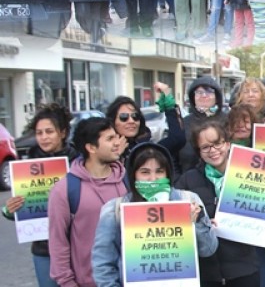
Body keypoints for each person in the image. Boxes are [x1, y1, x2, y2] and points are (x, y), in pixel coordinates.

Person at [91, 142, 218, 285]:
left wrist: (196, 223)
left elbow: (208, 250)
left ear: (168, 173)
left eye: (159, 171)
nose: (153, 178)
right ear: (134, 175)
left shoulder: (188, 200)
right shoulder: (115, 209)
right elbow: (102, 263)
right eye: (145, 172)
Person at [174, 120, 263, 286]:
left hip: (244, 269)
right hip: (207, 273)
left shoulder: (248, 173)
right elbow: (174, 220)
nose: (213, 150)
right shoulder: (188, 180)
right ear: (199, 151)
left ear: (228, 144)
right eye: (205, 147)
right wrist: (197, 221)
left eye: (217, 143)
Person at [2, 104, 78, 287]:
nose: (44, 137)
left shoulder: (78, 161)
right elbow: (24, 210)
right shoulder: (27, 166)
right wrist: (9, 210)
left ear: (62, 133)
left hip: (77, 246)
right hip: (44, 250)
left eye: (49, 131)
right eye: (39, 133)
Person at [48, 117, 128, 287]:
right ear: (91, 147)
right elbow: (58, 242)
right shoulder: (65, 189)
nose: (117, 143)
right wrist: (67, 283)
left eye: (116, 136)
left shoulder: (127, 181)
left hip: (128, 279)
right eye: (109, 139)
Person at [106, 86, 185, 169]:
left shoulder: (146, 149)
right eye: (124, 117)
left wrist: (169, 106)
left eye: (135, 116)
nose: (131, 121)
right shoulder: (102, 149)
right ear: (113, 121)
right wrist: (114, 156)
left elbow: (177, 138)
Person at [176, 75, 227, 174]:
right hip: (188, 184)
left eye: (209, 91)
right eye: (199, 92)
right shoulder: (183, 123)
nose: (204, 95)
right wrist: (178, 181)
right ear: (193, 98)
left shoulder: (228, 121)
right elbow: (172, 158)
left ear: (217, 97)